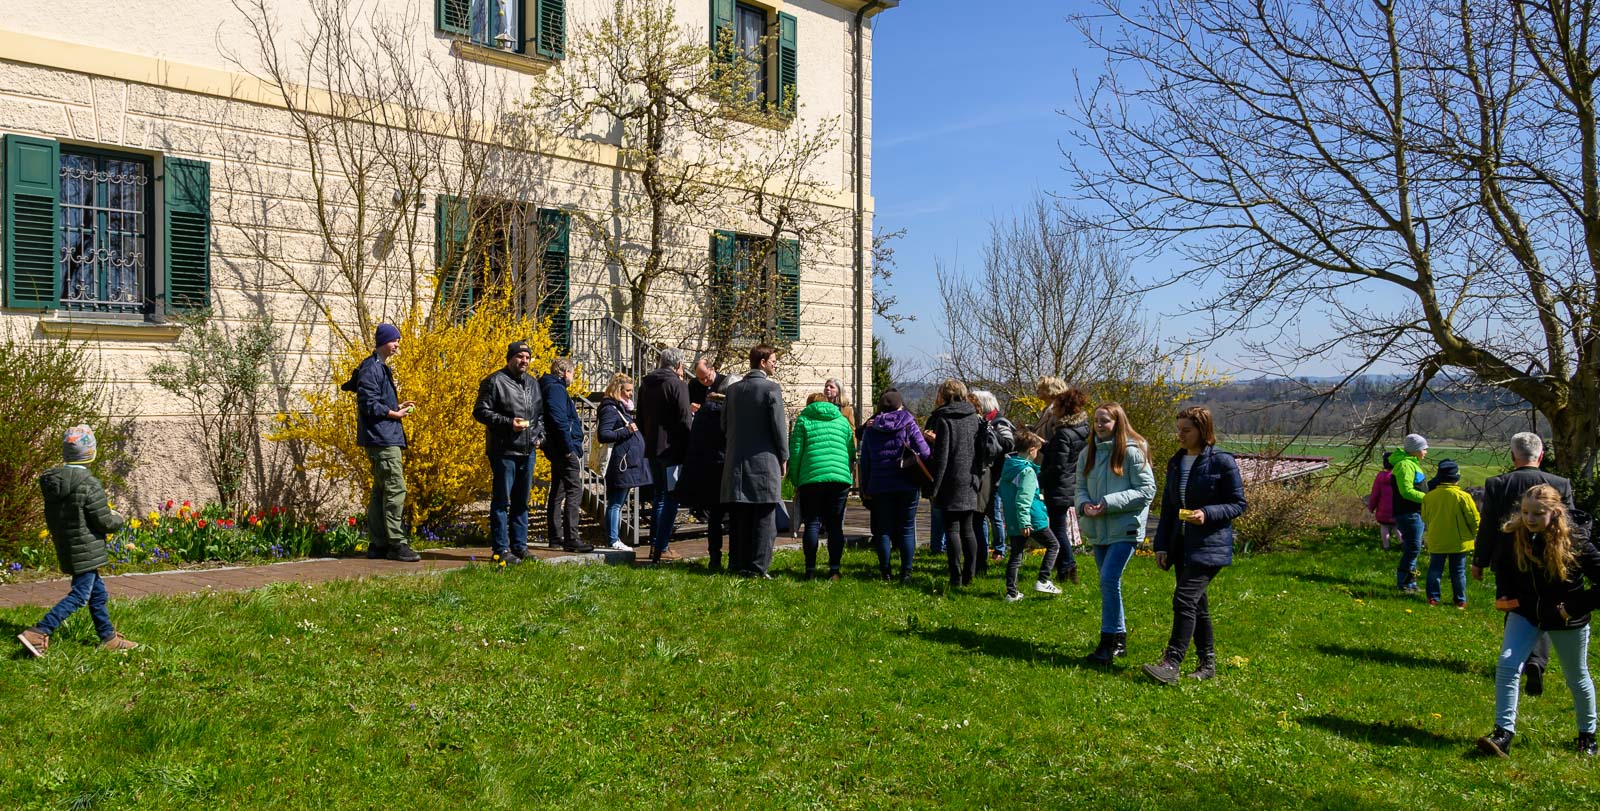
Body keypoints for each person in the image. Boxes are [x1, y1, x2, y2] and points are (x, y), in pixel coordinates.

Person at [1475, 484, 1600, 759]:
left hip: (1567, 619)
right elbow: (1504, 566)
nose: (1530, 519)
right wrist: (1506, 594)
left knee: (1576, 677)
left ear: (1555, 512)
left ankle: (1587, 736)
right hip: (1526, 613)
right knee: (1508, 664)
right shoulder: (1514, 534)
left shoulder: (1576, 541)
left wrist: (1571, 608)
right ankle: (1503, 734)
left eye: (1537, 514)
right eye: (1525, 512)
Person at [1142, 406, 1247, 684]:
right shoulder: (1176, 462)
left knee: (1184, 599)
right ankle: (1207, 663)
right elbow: (1167, 508)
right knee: (1197, 605)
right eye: (1178, 429)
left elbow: (1238, 504)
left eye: (1186, 430)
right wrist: (1161, 545)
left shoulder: (1222, 461)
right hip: (1181, 544)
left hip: (1209, 545)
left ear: (1203, 430)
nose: (1180, 435)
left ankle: (1171, 664)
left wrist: (1207, 513)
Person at [16, 425, 138, 657]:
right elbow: (103, 521)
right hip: (87, 549)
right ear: (91, 452)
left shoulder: (53, 484)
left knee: (97, 593)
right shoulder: (89, 484)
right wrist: (117, 519)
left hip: (68, 546)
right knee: (80, 595)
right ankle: (39, 630)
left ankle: (108, 638)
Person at [1474, 432, 1577, 697]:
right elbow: (1571, 526)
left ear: (1512, 456)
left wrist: (1479, 560)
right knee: (1544, 605)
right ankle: (1536, 661)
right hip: (1550, 558)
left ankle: (1519, 658)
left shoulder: (1497, 484)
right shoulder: (1560, 484)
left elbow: (1488, 528)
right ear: (1541, 456)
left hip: (1509, 560)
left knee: (1516, 610)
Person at [1077, 402, 1156, 664]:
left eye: (1105, 421)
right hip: (1098, 528)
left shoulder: (1132, 452)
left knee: (1109, 580)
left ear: (1117, 423)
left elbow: (1147, 491)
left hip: (1125, 528)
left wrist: (1109, 503)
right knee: (1109, 583)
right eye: (1096, 420)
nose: (1100, 425)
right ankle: (1119, 639)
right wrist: (1084, 504)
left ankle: (1107, 643)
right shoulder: (1087, 453)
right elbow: (1079, 487)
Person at [347, 322, 420, 562]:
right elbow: (368, 403)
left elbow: (377, 401)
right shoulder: (372, 368)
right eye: (394, 340)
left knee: (380, 491)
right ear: (382, 342)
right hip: (383, 438)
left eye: (398, 340)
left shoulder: (381, 368)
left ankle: (378, 544)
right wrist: (393, 414)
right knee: (395, 489)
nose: (397, 344)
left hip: (384, 436)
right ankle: (396, 543)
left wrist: (397, 407)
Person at [473, 340, 545, 563]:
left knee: (522, 501)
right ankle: (501, 549)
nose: (524, 361)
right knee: (502, 501)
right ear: (510, 358)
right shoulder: (495, 381)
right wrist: (507, 423)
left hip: (527, 450)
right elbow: (480, 411)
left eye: (527, 357)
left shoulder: (533, 384)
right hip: (504, 450)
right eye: (520, 357)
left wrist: (539, 437)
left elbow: (540, 416)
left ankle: (520, 546)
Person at [723, 345, 789, 578]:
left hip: (735, 462)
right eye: (773, 360)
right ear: (762, 363)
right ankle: (758, 567)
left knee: (739, 517)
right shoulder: (771, 389)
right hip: (764, 461)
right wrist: (784, 456)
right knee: (764, 518)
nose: (775, 364)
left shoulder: (732, 390)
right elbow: (779, 428)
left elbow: (724, 425)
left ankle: (736, 564)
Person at [859, 389, 930, 582]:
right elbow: (925, 452)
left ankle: (886, 572)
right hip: (906, 483)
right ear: (900, 405)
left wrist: (865, 487)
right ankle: (906, 572)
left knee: (883, 530)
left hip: (880, 485)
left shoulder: (871, 429)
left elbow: (864, 462)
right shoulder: (908, 423)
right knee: (907, 528)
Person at [789, 392, 857, 580]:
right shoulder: (842, 420)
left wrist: (795, 479)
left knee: (812, 523)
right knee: (835, 525)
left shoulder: (803, 420)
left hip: (811, 478)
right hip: (839, 479)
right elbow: (851, 450)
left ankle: (810, 570)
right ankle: (834, 570)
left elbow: (795, 453)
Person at [925, 379, 985, 587]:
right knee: (968, 528)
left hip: (950, 479)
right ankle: (970, 573)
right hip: (970, 477)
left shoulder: (943, 419)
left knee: (952, 529)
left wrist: (934, 486)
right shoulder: (974, 417)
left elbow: (941, 457)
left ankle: (955, 575)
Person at [677, 374, 739, 569]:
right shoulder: (728, 412)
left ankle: (715, 557)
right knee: (734, 517)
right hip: (724, 469)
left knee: (715, 518)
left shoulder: (704, 410)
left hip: (707, 470)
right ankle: (734, 559)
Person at [637, 348, 693, 563]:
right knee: (671, 498)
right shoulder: (677, 384)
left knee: (659, 497)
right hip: (672, 450)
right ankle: (662, 547)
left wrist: (649, 438)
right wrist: (688, 447)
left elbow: (640, 418)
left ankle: (655, 545)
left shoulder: (646, 385)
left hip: (652, 448)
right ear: (679, 365)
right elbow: (684, 419)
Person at [998, 430, 1062, 602]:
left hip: (1012, 517)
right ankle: (1043, 579)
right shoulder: (1027, 472)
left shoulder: (1008, 467)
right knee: (1054, 545)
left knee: (1016, 555)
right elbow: (1024, 499)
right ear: (1032, 449)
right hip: (1031, 518)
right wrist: (1025, 522)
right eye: (1037, 450)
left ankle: (1011, 593)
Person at [538, 357, 593, 553]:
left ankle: (556, 537)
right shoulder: (556, 389)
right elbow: (559, 419)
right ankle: (571, 538)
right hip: (563, 448)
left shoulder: (550, 387)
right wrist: (570, 448)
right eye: (572, 373)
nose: (572, 377)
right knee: (574, 490)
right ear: (564, 372)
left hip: (558, 447)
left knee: (558, 490)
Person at [1039, 388, 1091, 585]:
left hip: (1059, 486)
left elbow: (1058, 466)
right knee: (1058, 528)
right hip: (1071, 483)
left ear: (1063, 408)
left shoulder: (1063, 433)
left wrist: (1037, 480)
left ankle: (1068, 565)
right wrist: (1045, 445)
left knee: (1058, 529)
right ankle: (1064, 566)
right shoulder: (1080, 429)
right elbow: (1064, 456)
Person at [596, 373, 651, 551]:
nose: (630, 394)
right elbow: (604, 434)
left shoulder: (620, 409)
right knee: (616, 503)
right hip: (620, 464)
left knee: (617, 502)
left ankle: (614, 538)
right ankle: (613, 539)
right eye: (627, 391)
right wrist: (626, 431)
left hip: (625, 464)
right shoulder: (610, 409)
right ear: (618, 390)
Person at [1422, 460, 1478, 608]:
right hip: (1459, 541)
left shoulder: (1429, 497)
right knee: (1458, 571)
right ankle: (1460, 600)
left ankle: (1433, 598)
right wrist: (1475, 533)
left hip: (1436, 539)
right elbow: (1474, 518)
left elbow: (1424, 517)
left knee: (1435, 569)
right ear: (1457, 478)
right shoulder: (1463, 496)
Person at [972, 389, 1016, 568]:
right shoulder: (985, 421)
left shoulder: (999, 421)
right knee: (981, 514)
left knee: (994, 514)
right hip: (987, 475)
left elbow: (1009, 444)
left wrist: (991, 431)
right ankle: (985, 547)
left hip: (997, 474)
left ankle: (999, 548)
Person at [1388, 434, 1430, 592]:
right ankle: (1404, 583)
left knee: (1414, 548)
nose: (1426, 451)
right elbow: (1406, 491)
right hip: (1409, 513)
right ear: (1416, 450)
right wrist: (1428, 499)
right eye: (1424, 448)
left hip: (1414, 512)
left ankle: (1410, 582)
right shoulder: (1405, 465)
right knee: (1413, 548)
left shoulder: (1411, 463)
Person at [1367, 455, 1397, 551]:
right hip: (1397, 509)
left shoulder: (1381, 477)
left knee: (1384, 527)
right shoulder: (1399, 476)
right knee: (1397, 527)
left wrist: (1371, 507)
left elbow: (1375, 494)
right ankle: (1403, 543)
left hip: (1383, 509)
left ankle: (1386, 546)